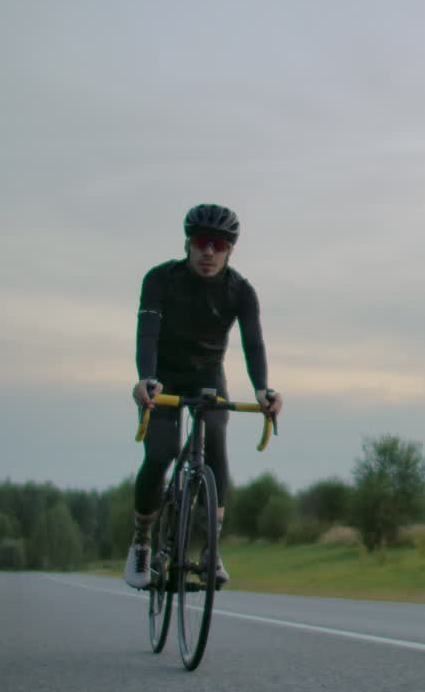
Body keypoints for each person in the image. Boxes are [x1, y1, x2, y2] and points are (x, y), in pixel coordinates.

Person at [123, 203, 283, 589]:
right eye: (200, 242)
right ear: (187, 244)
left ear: (231, 249)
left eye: (219, 244)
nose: (209, 252)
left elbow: (253, 345)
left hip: (207, 377)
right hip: (164, 378)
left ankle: (211, 549)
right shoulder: (160, 279)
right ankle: (142, 541)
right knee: (160, 454)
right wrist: (146, 379)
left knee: (216, 445)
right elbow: (146, 334)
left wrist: (263, 389)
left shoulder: (240, 291)